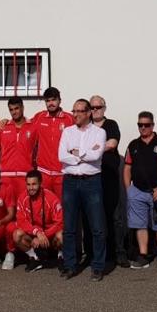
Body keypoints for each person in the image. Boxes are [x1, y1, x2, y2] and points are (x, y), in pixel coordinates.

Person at [58, 98, 107, 281]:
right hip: (70, 182)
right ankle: (70, 265)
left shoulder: (99, 133)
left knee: (97, 227)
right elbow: (61, 155)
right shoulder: (68, 132)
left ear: (88, 113)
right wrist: (81, 155)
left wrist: (76, 153)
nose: (76, 114)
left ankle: (98, 266)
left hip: (91, 182)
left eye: (80, 111)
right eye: (74, 111)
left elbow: (96, 155)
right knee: (69, 227)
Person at [124, 111, 157, 271]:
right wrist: (128, 190)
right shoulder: (133, 145)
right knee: (140, 226)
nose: (143, 128)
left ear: (153, 125)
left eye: (147, 125)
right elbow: (127, 168)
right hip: (138, 191)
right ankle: (143, 257)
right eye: (140, 125)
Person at [90, 95, 129, 268]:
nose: (95, 110)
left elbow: (112, 144)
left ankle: (119, 253)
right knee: (96, 218)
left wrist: (91, 149)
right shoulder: (85, 126)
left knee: (116, 216)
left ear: (104, 108)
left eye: (98, 107)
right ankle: (99, 254)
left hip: (110, 176)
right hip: (92, 177)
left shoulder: (111, 124)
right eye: (92, 107)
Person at [12, 170, 64, 272]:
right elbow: (21, 221)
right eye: (28, 184)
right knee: (17, 234)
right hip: (35, 236)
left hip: (49, 237)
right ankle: (35, 258)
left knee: (61, 235)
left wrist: (44, 234)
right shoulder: (22, 198)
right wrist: (37, 233)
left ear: (40, 183)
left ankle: (61, 257)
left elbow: (60, 222)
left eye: (34, 184)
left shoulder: (51, 198)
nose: (31, 188)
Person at [32, 87, 75, 199]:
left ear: (59, 100)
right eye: (48, 101)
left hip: (62, 172)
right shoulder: (39, 117)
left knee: (62, 207)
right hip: (43, 172)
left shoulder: (69, 119)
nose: (51, 103)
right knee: (44, 205)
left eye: (53, 100)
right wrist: (5, 122)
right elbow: (23, 126)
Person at [0, 97, 37, 197]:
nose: (14, 112)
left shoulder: (33, 127)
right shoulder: (3, 127)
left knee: (24, 209)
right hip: (6, 176)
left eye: (16, 108)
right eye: (11, 110)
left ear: (22, 108)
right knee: (8, 210)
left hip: (25, 176)